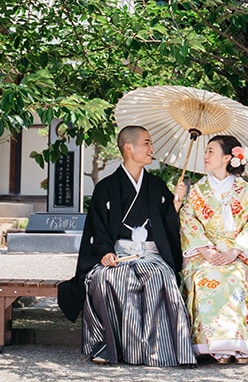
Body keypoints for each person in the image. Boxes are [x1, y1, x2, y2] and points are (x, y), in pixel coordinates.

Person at [56, 125, 195, 366]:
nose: (152, 148)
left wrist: (176, 203)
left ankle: (156, 350)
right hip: (118, 254)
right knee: (106, 280)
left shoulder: (157, 186)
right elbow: (96, 229)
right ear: (129, 147)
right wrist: (105, 252)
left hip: (151, 254)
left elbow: (167, 227)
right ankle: (108, 347)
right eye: (147, 143)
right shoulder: (105, 188)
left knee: (160, 277)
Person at [177, 134, 248, 364]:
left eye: (210, 151)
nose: (205, 156)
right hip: (205, 254)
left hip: (237, 254)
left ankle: (240, 343)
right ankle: (213, 345)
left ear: (227, 157)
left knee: (235, 277)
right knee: (206, 277)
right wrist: (206, 251)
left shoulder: (247, 191)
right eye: (205, 151)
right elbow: (188, 221)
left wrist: (234, 251)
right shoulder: (196, 191)